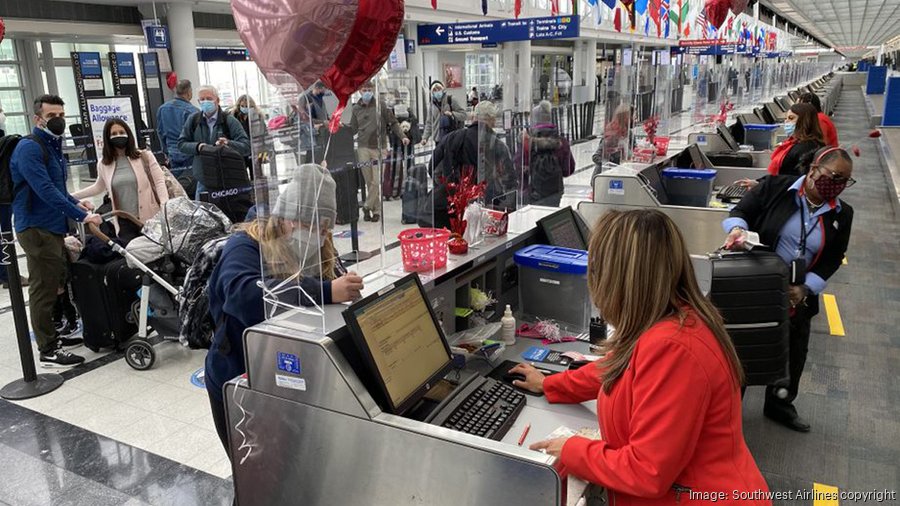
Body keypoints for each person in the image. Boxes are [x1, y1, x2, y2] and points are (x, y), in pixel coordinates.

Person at [511, 209, 770, 505]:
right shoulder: (669, 319)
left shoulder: (673, 348)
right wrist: (549, 384)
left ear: (618, 280)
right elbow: (616, 369)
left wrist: (570, 449)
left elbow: (647, 472)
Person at [204, 165, 364, 482]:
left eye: (325, 227)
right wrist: (326, 291)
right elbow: (245, 297)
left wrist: (345, 286)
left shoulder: (319, 248)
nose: (317, 234)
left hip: (288, 377)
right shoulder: (246, 245)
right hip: (239, 379)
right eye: (309, 224)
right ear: (286, 217)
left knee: (292, 477)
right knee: (256, 480)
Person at [723, 147, 854, 432]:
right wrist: (737, 229)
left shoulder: (842, 214)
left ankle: (779, 404)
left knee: (793, 354)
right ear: (814, 169)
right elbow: (740, 211)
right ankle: (728, 411)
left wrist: (806, 288)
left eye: (845, 181)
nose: (838, 185)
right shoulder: (775, 188)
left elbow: (834, 257)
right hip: (759, 285)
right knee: (744, 350)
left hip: (797, 295)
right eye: (834, 176)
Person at [10, 95, 103, 367]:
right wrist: (82, 215)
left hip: (51, 226)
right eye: (51, 116)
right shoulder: (29, 148)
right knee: (44, 288)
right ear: (37, 119)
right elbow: (44, 189)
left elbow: (58, 187)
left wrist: (76, 202)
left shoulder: (52, 145)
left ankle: (54, 335)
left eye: (61, 114)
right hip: (36, 228)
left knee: (56, 282)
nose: (58, 120)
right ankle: (48, 349)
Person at [72, 118, 169, 238]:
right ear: (108, 138)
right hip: (124, 223)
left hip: (151, 218)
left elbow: (159, 182)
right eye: (114, 134)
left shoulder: (145, 157)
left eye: (122, 132)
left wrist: (164, 206)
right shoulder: (104, 164)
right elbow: (98, 187)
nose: (118, 136)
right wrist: (70, 197)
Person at [429, 101, 518, 228]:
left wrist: (448, 189)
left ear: (473, 117)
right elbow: (510, 181)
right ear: (492, 120)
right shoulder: (497, 145)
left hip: (452, 209)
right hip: (486, 209)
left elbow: (433, 167)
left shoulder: (451, 137)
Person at [177, 85, 250, 199]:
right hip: (203, 180)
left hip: (227, 181)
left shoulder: (229, 120)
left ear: (217, 100)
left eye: (209, 99)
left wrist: (228, 144)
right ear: (198, 102)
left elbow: (246, 146)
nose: (206, 102)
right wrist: (198, 147)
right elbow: (181, 144)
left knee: (228, 210)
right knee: (202, 209)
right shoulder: (193, 120)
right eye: (202, 99)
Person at [350, 81, 408, 222]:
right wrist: (339, 129)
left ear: (374, 90)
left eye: (369, 89)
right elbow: (353, 128)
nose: (367, 92)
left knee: (376, 181)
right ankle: (375, 211)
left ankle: (367, 205)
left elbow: (393, 123)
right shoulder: (356, 108)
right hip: (363, 148)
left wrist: (403, 136)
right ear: (359, 91)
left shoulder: (380, 105)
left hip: (379, 148)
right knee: (369, 181)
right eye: (364, 90)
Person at [516, 101, 575, 206]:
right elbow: (568, 170)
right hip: (555, 193)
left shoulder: (527, 143)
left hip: (532, 193)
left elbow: (517, 168)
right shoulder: (562, 142)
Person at [766, 103, 824, 177]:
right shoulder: (797, 143)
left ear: (804, 121)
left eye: (791, 118)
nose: (786, 122)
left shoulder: (805, 148)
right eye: (786, 118)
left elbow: (795, 178)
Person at [156, 79, 199, 176]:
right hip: (190, 154)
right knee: (191, 181)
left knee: (177, 182)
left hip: (172, 153)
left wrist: (166, 151)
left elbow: (160, 132)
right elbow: (197, 135)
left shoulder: (162, 109)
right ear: (189, 92)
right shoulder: (193, 111)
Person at [230, 94, 269, 179]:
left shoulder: (258, 117)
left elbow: (264, 134)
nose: (245, 108)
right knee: (242, 176)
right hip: (240, 150)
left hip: (255, 150)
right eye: (243, 106)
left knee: (256, 176)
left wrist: (265, 150)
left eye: (247, 106)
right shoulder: (233, 118)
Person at [421, 81, 466, 147]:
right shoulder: (432, 105)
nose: (437, 91)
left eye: (439, 89)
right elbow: (429, 122)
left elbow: (464, 115)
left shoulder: (451, 100)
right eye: (434, 90)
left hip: (452, 137)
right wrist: (425, 138)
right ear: (432, 92)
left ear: (443, 89)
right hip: (438, 139)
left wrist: (452, 114)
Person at [592, 104, 633, 174]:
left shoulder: (629, 133)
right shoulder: (612, 133)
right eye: (634, 116)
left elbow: (632, 151)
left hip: (622, 173)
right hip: (606, 175)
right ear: (626, 117)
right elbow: (596, 157)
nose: (636, 118)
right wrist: (610, 165)